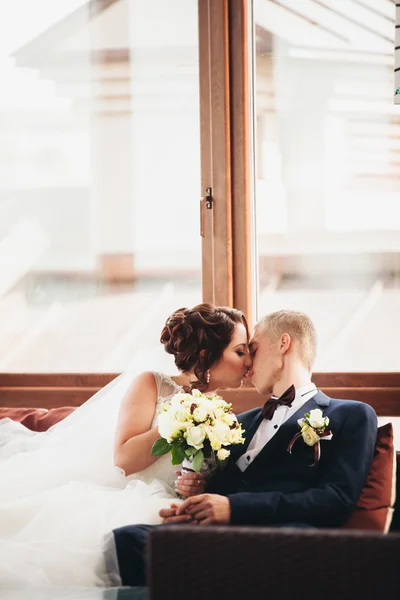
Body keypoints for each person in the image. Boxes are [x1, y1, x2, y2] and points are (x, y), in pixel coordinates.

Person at [111, 310, 378, 586]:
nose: (248, 364)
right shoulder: (239, 422)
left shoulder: (352, 414)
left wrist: (234, 508)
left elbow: (336, 499)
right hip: (217, 535)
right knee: (129, 539)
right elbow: (221, 486)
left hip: (278, 535)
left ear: (284, 344)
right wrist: (193, 504)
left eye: (254, 349)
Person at [0, 303, 251, 587]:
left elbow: (202, 474)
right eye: (240, 351)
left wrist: (197, 484)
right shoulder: (152, 384)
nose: (248, 361)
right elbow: (124, 460)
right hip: (126, 495)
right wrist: (180, 421)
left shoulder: (224, 416)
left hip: (176, 509)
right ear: (207, 355)